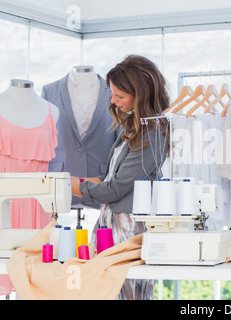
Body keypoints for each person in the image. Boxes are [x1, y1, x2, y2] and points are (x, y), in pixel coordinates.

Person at [71, 55, 169, 300]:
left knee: (126, 294)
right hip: (112, 222)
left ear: (141, 94)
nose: (113, 101)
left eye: (120, 96)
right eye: (112, 93)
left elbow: (114, 190)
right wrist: (69, 180)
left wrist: (65, 185)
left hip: (127, 228)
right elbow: (108, 180)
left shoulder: (152, 134)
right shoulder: (134, 129)